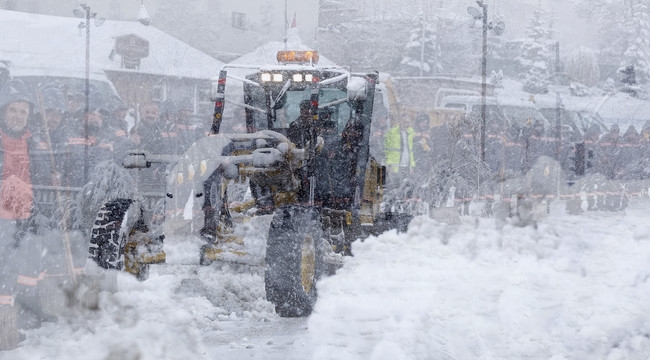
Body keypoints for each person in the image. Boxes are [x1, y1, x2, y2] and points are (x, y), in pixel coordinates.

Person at [0, 79, 54, 349]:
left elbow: (40, 178)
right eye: (13, 110)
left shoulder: (35, 141)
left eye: (23, 111)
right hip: (2, 217)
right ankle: (4, 326)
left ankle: (25, 312)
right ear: (4, 112)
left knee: (30, 267)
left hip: (28, 215)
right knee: (4, 271)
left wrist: (51, 180)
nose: (18, 115)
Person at [383, 113, 415, 188]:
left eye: (408, 122)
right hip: (395, 166)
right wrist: (388, 164)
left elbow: (411, 151)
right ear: (400, 122)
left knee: (404, 187)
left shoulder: (411, 133)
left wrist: (412, 165)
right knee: (394, 186)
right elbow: (386, 150)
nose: (406, 124)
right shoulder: (392, 133)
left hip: (406, 166)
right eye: (404, 122)